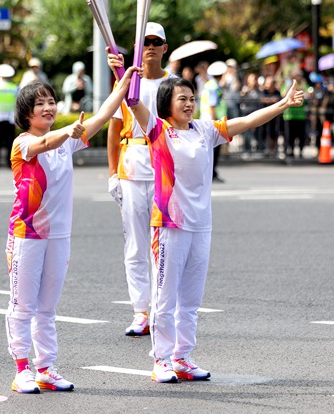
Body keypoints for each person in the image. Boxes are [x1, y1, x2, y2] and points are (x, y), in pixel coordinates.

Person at [116, 62, 303, 383]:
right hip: (169, 226)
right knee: (165, 296)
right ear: (167, 104)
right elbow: (133, 102)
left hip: (200, 224)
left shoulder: (204, 130)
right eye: (181, 99)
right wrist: (122, 74)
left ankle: (182, 356)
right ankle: (160, 359)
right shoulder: (158, 130)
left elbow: (245, 121)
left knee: (190, 298)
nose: (188, 104)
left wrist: (282, 104)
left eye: (191, 98)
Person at [6, 64, 140, 394]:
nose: (49, 107)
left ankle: (47, 368)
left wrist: (122, 86)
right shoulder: (23, 143)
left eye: (51, 101)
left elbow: (102, 117)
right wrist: (68, 132)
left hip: (59, 235)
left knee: (48, 307)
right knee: (23, 305)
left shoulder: (66, 140)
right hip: (28, 233)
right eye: (40, 104)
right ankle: (22, 368)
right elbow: (45, 144)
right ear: (26, 114)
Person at [106, 22, 174, 337]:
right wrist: (111, 174)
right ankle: (140, 312)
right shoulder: (126, 82)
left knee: (161, 246)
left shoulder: (173, 85)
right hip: (131, 168)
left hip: (163, 169)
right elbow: (111, 127)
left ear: (164, 47)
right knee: (134, 245)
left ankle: (161, 310)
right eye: (144, 42)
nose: (149, 46)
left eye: (155, 42)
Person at [201, 61, 228, 181]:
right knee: (214, 149)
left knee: (212, 149)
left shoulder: (211, 84)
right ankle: (211, 174)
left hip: (210, 119)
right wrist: (215, 123)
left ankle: (212, 173)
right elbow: (212, 105)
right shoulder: (213, 86)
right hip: (212, 120)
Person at [0, 63, 19, 168]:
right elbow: (18, 103)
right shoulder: (14, 87)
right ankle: (9, 162)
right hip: (11, 118)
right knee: (10, 141)